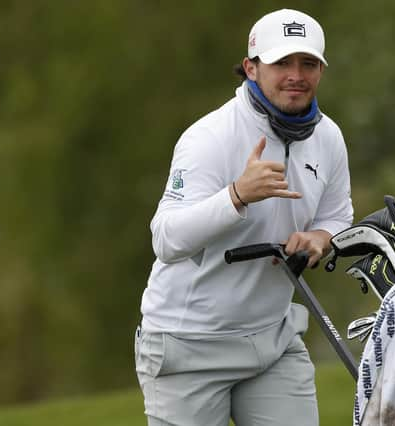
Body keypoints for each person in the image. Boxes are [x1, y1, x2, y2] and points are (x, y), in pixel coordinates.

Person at [134, 8, 353, 426]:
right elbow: (166, 239)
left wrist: (320, 238)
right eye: (281, 63)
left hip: (273, 339)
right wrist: (236, 196)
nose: (296, 75)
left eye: (308, 63)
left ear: (321, 70)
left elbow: (338, 214)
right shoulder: (210, 137)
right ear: (251, 68)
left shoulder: (328, 137)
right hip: (187, 345)